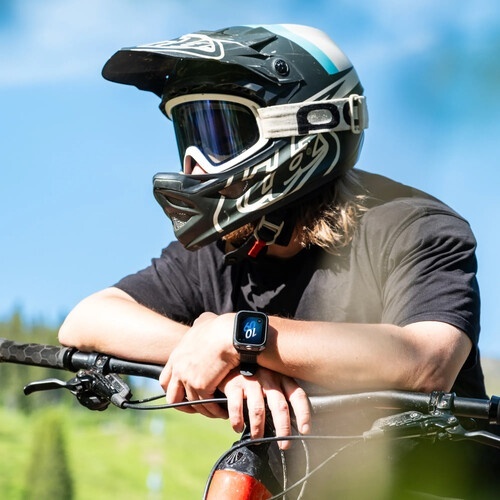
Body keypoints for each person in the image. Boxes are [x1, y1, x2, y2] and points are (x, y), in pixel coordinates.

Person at [58, 24, 491, 497]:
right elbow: (87, 319)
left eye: (220, 135)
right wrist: (224, 358)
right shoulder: (225, 246)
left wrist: (242, 335)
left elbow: (428, 362)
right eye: (188, 135)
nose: (193, 165)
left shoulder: (413, 225)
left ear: (305, 127)